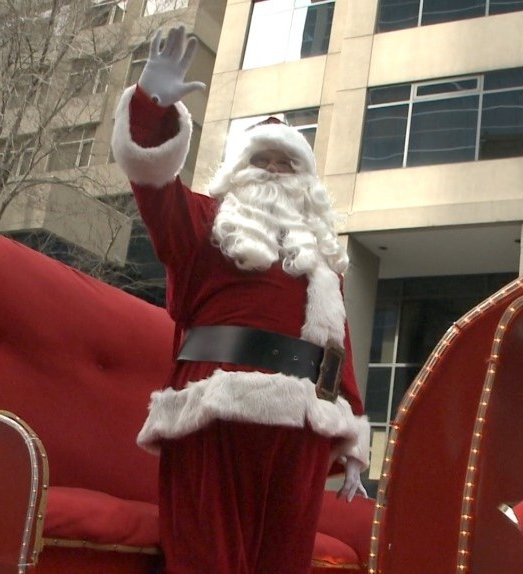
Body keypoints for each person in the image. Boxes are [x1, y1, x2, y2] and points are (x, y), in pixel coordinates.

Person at [110, 26, 370, 573]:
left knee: (284, 560)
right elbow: (154, 187)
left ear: (306, 181)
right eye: (263, 161)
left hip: (300, 426)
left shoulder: (322, 256)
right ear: (238, 171)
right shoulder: (205, 222)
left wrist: (351, 440)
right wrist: (152, 107)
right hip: (215, 408)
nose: (274, 171)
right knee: (208, 557)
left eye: (286, 163)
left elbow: (335, 350)